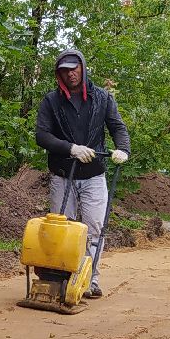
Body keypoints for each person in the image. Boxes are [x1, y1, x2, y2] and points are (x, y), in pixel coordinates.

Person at [33, 48, 131, 298]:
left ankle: (89, 280)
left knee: (94, 228)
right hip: (62, 174)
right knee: (61, 229)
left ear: (83, 68)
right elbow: (42, 136)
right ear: (59, 74)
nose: (70, 74)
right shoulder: (51, 101)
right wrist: (71, 148)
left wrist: (123, 150)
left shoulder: (103, 98)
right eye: (64, 71)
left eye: (74, 69)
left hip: (93, 175)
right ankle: (60, 279)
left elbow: (117, 126)